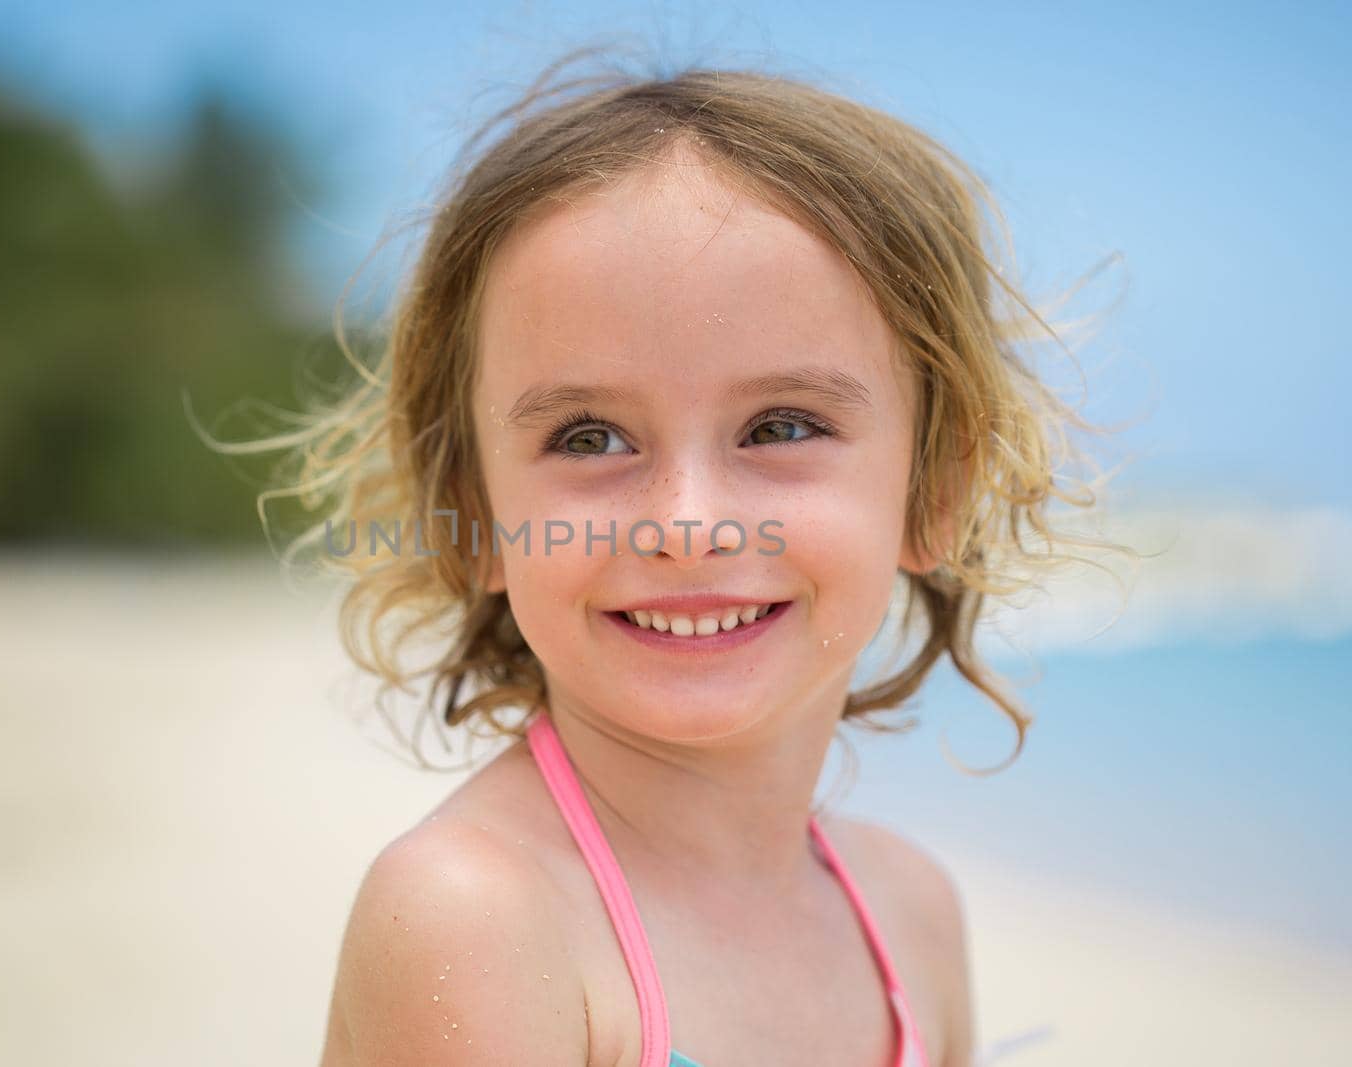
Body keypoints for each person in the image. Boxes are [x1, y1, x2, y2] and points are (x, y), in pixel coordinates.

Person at [208, 45, 1132, 1067]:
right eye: (589, 438)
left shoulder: (910, 914)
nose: (687, 523)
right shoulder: (479, 920)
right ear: (469, 510)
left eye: (780, 426)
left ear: (935, 490)